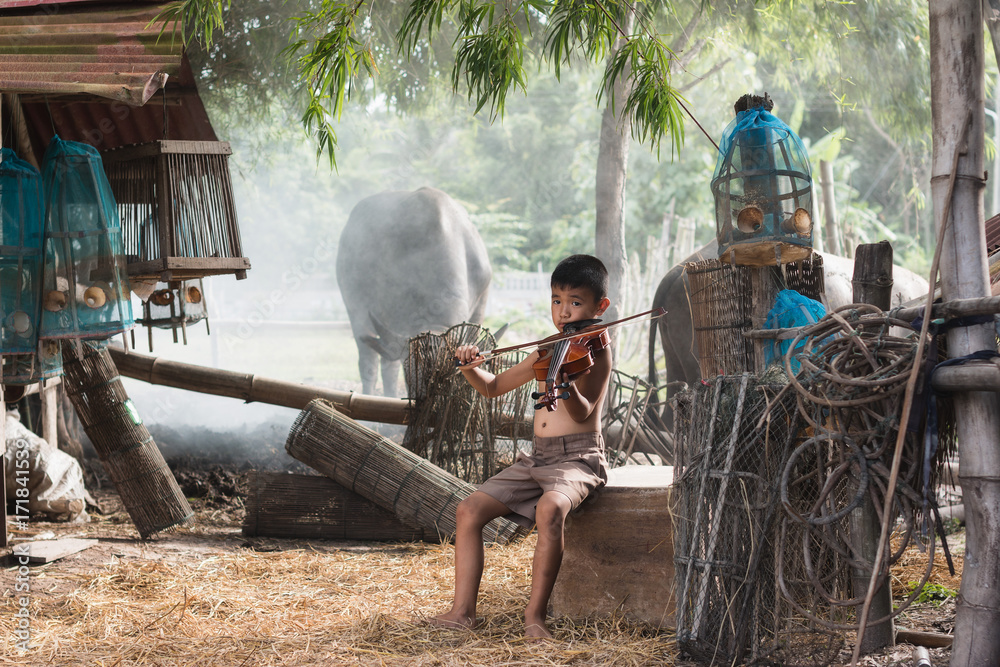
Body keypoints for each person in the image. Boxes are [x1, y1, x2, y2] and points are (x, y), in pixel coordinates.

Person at [430, 254, 613, 639]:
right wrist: (469, 366)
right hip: (539, 458)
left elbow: (583, 412)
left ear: (601, 307)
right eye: (556, 300)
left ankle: (535, 618)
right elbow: (492, 386)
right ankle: (462, 612)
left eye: (575, 302)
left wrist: (563, 384)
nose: (563, 312)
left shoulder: (595, 350)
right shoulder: (550, 347)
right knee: (469, 509)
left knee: (550, 508)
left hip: (578, 458)